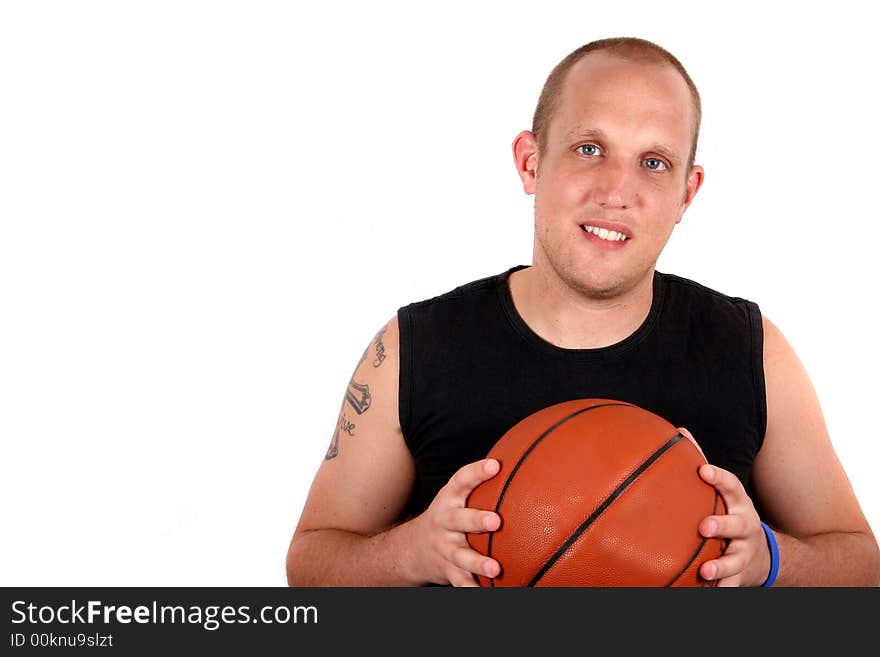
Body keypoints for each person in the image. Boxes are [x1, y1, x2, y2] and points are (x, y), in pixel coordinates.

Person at [285, 37, 880, 587]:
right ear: (530, 163)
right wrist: (412, 551)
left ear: (686, 194)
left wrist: (771, 558)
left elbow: (860, 562)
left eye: (653, 162)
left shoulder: (751, 349)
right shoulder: (415, 347)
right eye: (589, 149)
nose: (616, 190)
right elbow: (310, 561)